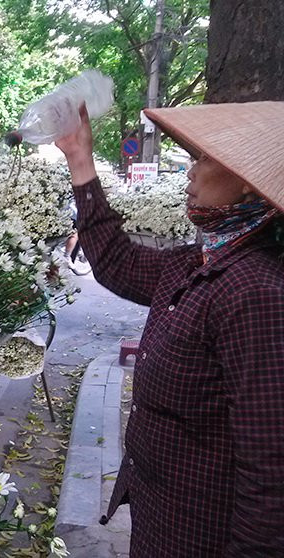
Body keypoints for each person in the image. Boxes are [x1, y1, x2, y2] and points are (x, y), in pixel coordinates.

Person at [55, 101, 284, 557]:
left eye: (202, 159)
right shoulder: (196, 263)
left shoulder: (256, 292)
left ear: (246, 183)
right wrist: (80, 160)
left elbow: (271, 470)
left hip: (203, 536)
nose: (190, 173)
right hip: (160, 517)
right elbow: (117, 262)